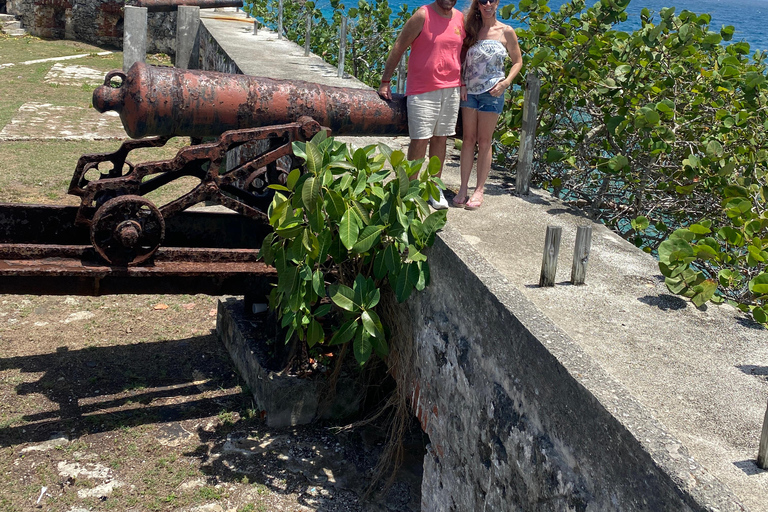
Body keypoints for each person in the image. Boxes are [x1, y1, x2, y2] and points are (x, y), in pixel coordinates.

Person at [377, 0, 465, 210]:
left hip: (451, 88)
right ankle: (410, 189)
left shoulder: (460, 18)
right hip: (423, 89)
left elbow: (460, 53)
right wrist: (385, 81)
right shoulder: (422, 15)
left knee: (440, 139)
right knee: (420, 140)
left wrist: (462, 83)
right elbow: (399, 45)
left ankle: (434, 189)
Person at [454, 0, 522, 210]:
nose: (488, 4)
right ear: (478, 5)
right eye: (483, 1)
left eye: (491, 0)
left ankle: (479, 190)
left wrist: (506, 83)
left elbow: (517, 61)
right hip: (470, 93)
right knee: (468, 139)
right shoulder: (472, 29)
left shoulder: (506, 31)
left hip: (492, 93)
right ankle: (463, 188)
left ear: (498, 3)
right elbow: (461, 58)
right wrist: (462, 83)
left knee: (484, 141)